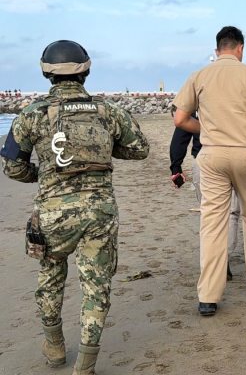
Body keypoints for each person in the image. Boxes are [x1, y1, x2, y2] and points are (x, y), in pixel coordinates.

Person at [0, 40, 149, 374]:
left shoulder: (31, 114)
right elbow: (140, 149)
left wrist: (41, 174)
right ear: (86, 71)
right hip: (99, 212)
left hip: (52, 213)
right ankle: (85, 365)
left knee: (51, 277)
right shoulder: (107, 111)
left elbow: (12, 167)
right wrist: (104, 152)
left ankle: (54, 347)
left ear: (46, 73)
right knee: (96, 286)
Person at [172, 26, 246, 317]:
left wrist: (205, 129)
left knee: (213, 222)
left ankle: (208, 296)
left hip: (212, 153)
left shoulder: (199, 75)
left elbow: (179, 119)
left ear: (217, 50)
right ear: (240, 48)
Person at [168, 110, 241, 281]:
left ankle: (215, 261)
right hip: (236, 158)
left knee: (209, 213)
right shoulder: (238, 99)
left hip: (205, 158)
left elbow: (181, 132)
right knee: (231, 213)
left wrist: (176, 167)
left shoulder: (198, 100)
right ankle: (224, 258)